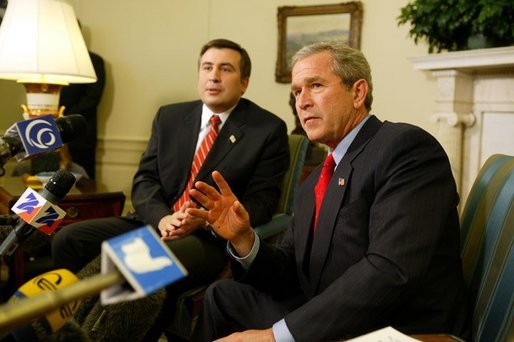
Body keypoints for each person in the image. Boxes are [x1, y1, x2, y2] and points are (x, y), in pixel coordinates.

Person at [187, 41, 470, 341]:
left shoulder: (405, 149)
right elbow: (292, 271)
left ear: (358, 92)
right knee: (221, 296)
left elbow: (389, 272)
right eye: (297, 91)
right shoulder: (315, 182)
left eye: (316, 85)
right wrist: (244, 239)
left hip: (393, 328)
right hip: (333, 311)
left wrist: (274, 336)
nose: (302, 102)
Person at [51, 38, 290, 340]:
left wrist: (206, 218)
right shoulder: (170, 117)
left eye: (225, 69)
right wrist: (164, 218)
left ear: (244, 82)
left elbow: (263, 203)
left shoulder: (267, 129)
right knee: (68, 239)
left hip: (207, 239)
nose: (213, 76)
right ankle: (72, 330)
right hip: (154, 222)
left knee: (137, 260)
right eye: (207, 67)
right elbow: (145, 180)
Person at [59, 49, 105, 180]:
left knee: (84, 185)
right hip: (51, 135)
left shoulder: (93, 61)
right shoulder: (52, 58)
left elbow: (92, 97)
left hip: (81, 134)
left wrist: (64, 118)